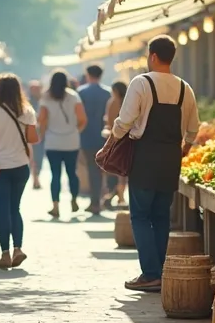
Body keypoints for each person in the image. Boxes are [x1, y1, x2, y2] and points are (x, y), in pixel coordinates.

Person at [109, 35, 198, 293]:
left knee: (140, 215)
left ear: (153, 56)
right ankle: (159, 272)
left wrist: (113, 141)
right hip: (171, 157)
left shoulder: (141, 82)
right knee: (161, 216)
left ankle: (150, 273)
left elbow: (125, 121)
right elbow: (193, 129)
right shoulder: (185, 88)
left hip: (145, 156)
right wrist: (184, 149)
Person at [0, 73, 38, 269]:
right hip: (20, 165)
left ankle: (4, 254)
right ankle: (18, 248)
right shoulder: (27, 111)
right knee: (15, 208)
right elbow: (33, 139)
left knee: (2, 209)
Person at [38, 70, 86, 218]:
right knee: (72, 172)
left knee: (55, 175)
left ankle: (55, 206)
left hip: (53, 141)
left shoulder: (46, 97)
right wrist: (75, 131)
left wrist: (43, 135)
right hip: (71, 141)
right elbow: (83, 118)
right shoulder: (73, 96)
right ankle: (74, 199)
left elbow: (42, 120)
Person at [77, 65, 110, 215]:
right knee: (101, 168)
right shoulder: (108, 93)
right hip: (103, 136)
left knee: (91, 167)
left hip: (86, 135)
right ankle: (99, 199)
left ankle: (95, 201)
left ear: (87, 74)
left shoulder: (81, 92)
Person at [104, 80, 129, 208]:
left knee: (116, 170)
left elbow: (109, 122)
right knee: (124, 172)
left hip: (116, 139)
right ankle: (120, 196)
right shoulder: (130, 102)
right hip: (128, 139)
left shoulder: (113, 102)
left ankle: (117, 195)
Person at [27, 80, 44, 189]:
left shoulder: (44, 101)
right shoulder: (27, 102)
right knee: (32, 157)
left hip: (41, 134)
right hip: (30, 134)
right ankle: (35, 179)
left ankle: (36, 177)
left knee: (39, 157)